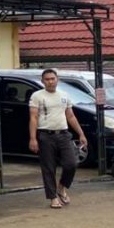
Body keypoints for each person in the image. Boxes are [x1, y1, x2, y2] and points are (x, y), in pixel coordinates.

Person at [28, 68, 89, 209]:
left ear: (57, 80)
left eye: (52, 79)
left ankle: (62, 187)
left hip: (63, 134)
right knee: (48, 167)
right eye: (47, 79)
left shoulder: (64, 95)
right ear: (42, 81)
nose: (50, 82)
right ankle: (53, 197)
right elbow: (33, 117)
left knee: (71, 163)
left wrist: (81, 133)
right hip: (45, 134)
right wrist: (33, 138)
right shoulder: (37, 96)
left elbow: (70, 116)